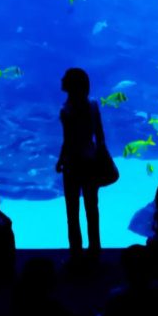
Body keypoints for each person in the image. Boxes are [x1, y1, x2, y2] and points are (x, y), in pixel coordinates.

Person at [55, 67, 106, 263]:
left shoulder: (66, 110)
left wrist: (61, 160)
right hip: (91, 162)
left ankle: (76, 253)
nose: (61, 79)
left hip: (73, 165)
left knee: (72, 211)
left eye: (65, 78)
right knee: (92, 209)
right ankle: (95, 251)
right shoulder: (93, 105)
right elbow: (100, 137)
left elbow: (68, 140)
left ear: (72, 84)